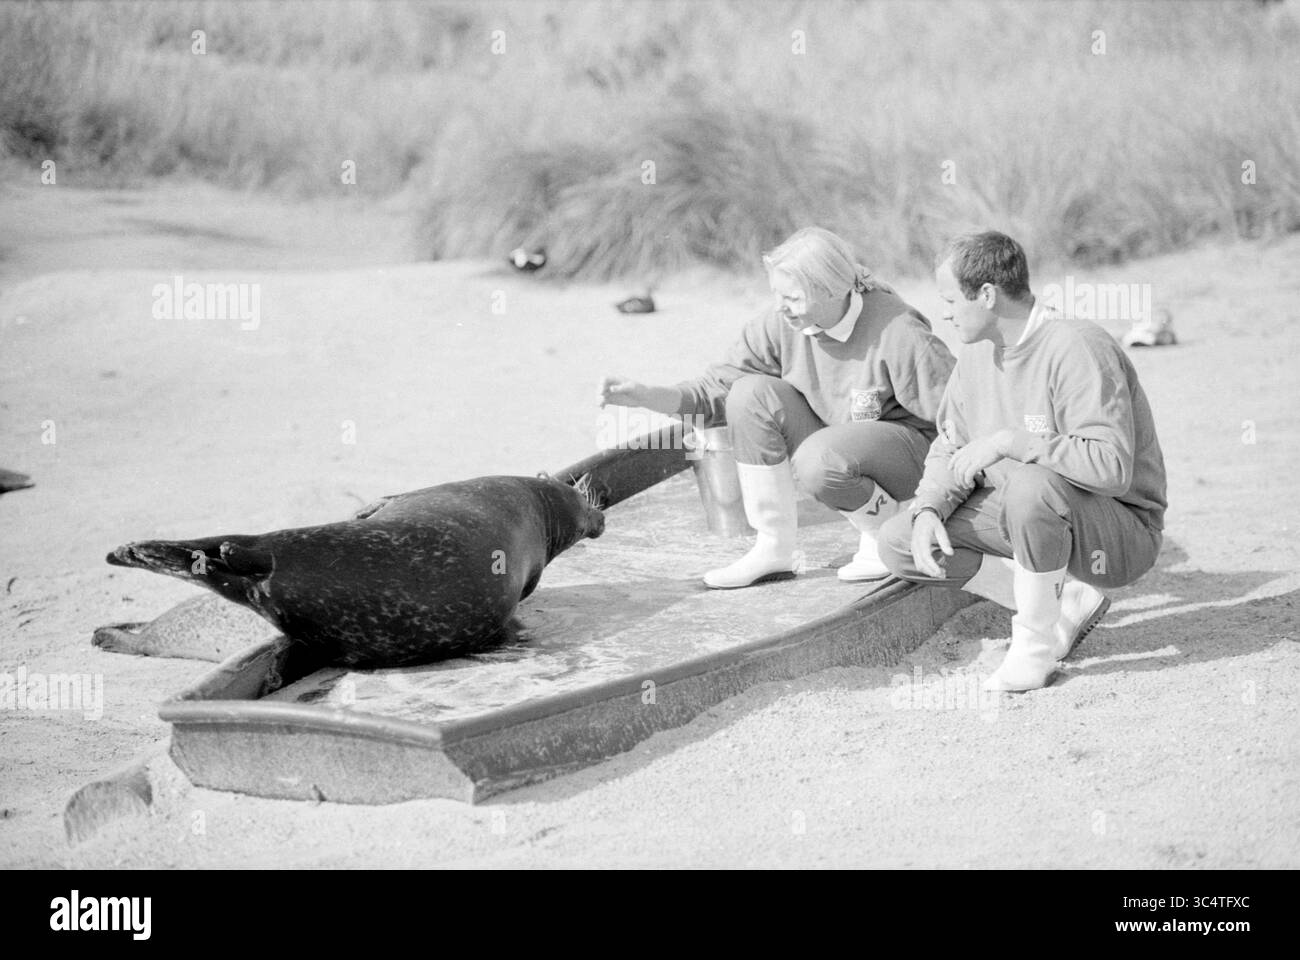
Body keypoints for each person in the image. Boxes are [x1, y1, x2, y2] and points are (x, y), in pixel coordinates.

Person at [877, 231, 1168, 692]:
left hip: (1119, 534)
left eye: (950, 300)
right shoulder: (974, 354)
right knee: (899, 539)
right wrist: (930, 506)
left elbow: (1110, 468)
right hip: (1030, 511)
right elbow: (949, 445)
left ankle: (1036, 645)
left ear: (987, 295)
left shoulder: (1077, 346)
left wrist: (1013, 441)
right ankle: (1065, 598)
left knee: (1033, 485)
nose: (944, 313)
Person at [599, 226, 955, 589]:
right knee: (749, 395)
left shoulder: (898, 330)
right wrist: (646, 396)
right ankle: (773, 547)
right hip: (837, 442)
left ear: (833, 291)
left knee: (819, 460)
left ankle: (884, 531)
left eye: (794, 298)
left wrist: (941, 504)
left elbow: (960, 415)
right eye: (776, 294)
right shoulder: (782, 323)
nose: (782, 306)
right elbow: (713, 392)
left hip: (910, 454)